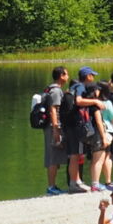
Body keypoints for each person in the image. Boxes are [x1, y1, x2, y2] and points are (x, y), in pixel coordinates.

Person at [68, 66, 107, 192]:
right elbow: (78, 101)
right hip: (76, 125)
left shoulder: (72, 87)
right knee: (75, 155)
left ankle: (76, 181)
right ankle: (75, 183)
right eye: (92, 75)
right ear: (88, 76)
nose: (93, 78)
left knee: (76, 154)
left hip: (71, 124)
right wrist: (95, 101)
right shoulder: (80, 87)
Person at [42, 65, 70, 195]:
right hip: (53, 127)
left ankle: (53, 185)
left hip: (49, 127)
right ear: (61, 76)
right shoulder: (56, 91)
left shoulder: (50, 89)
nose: (68, 76)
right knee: (53, 156)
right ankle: (51, 187)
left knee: (53, 155)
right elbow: (53, 109)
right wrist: (56, 128)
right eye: (66, 74)